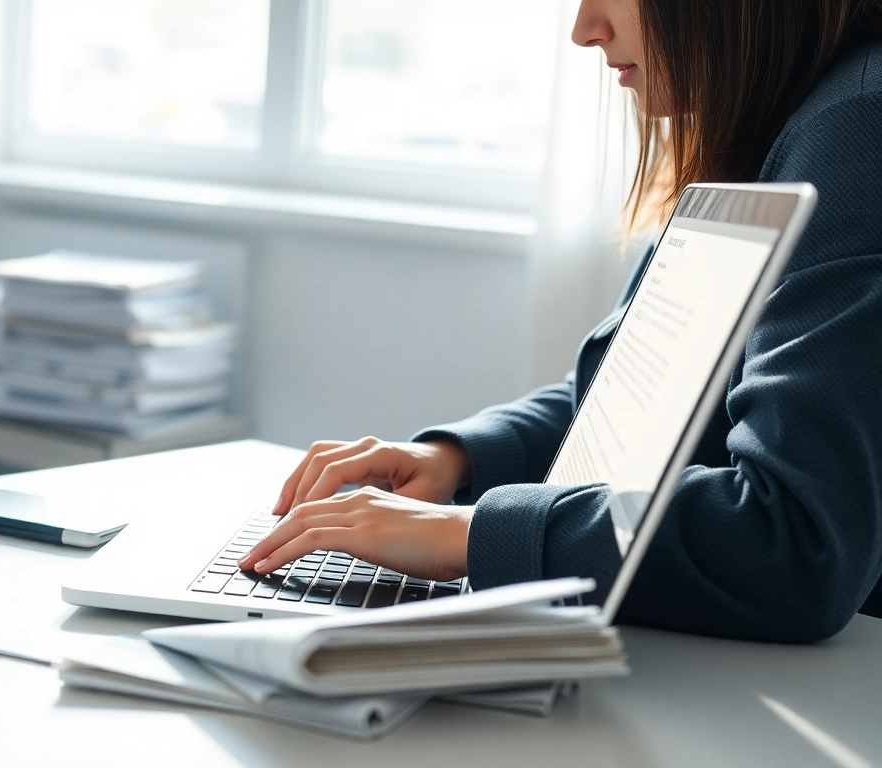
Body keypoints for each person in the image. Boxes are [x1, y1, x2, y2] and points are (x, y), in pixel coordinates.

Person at [240, 0, 882, 643]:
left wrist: (467, 536)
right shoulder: (791, 120)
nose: (584, 29)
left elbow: (797, 543)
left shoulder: (857, 128)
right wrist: (457, 459)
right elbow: (630, 406)